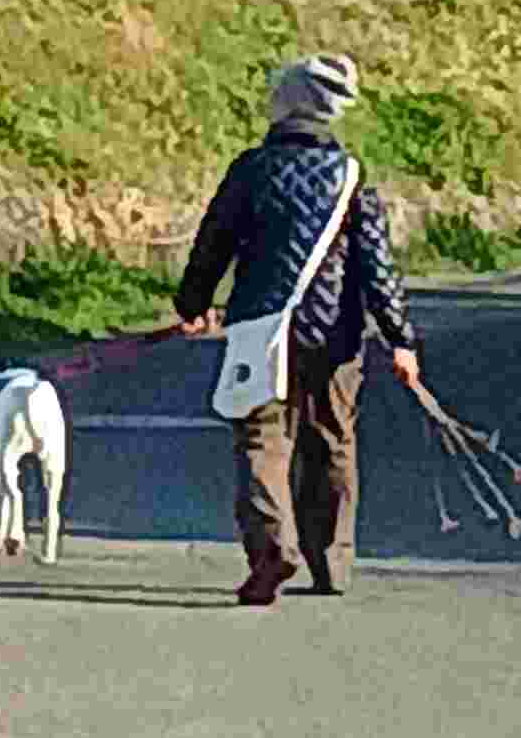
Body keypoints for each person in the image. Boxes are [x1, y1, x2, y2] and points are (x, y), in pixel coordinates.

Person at [174, 51, 425, 606]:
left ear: (287, 104)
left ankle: (272, 548)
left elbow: (213, 242)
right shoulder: (351, 175)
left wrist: (194, 303)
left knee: (261, 439)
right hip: (335, 334)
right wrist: (400, 338)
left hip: (260, 328)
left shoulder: (251, 169)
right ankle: (331, 563)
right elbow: (376, 265)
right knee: (331, 440)